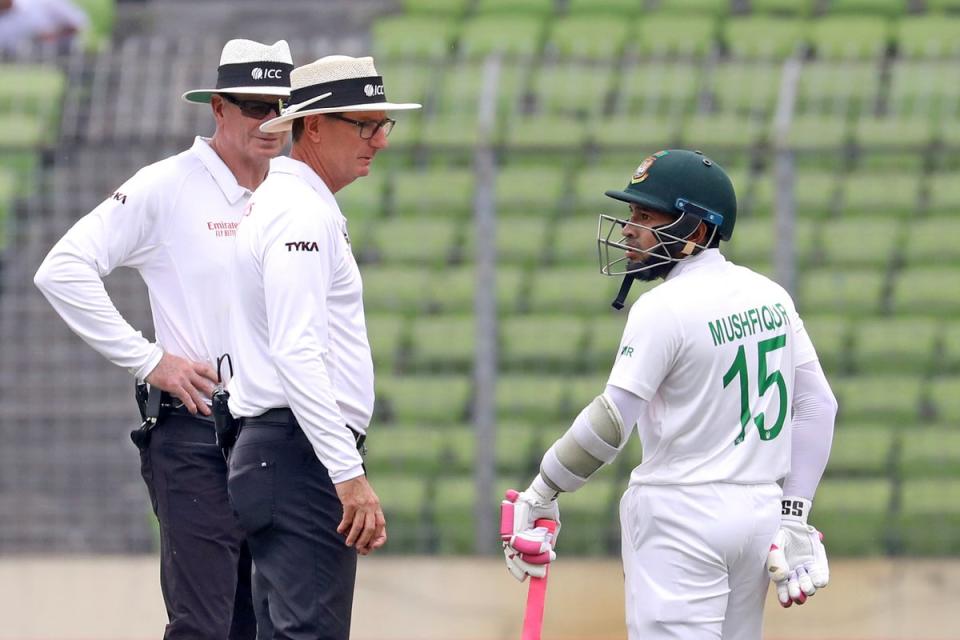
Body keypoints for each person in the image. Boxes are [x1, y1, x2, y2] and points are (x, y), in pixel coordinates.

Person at [500, 149, 838, 639]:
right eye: (631, 214)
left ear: (697, 231)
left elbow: (612, 422)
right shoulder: (771, 296)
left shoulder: (664, 307)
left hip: (682, 514)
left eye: (646, 216)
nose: (628, 229)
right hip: (760, 515)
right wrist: (795, 515)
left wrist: (542, 491)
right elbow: (817, 405)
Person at [33, 39, 294, 640]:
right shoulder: (167, 185)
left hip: (278, 432)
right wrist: (149, 360)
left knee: (272, 625)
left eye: (281, 107)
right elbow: (63, 267)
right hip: (200, 432)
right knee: (204, 626)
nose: (269, 121)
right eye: (255, 106)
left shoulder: (293, 190)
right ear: (219, 109)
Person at [224, 54, 420, 638]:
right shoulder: (300, 213)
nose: (380, 141)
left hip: (281, 450)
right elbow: (296, 351)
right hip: (297, 452)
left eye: (383, 125)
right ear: (313, 126)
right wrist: (346, 470)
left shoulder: (290, 205)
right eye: (364, 125)